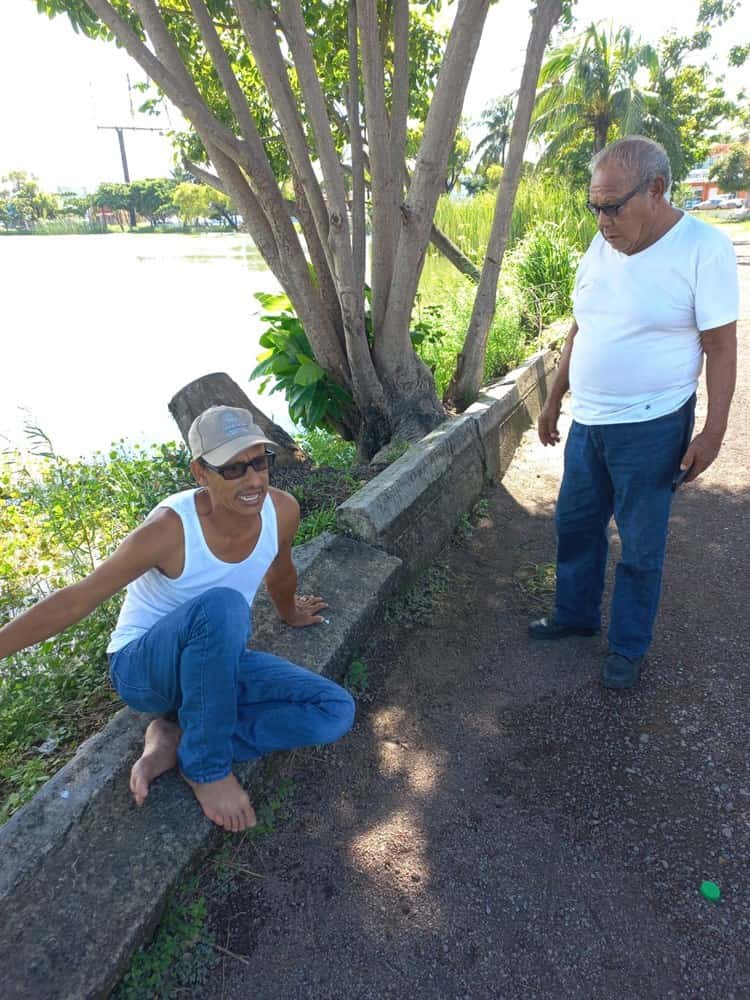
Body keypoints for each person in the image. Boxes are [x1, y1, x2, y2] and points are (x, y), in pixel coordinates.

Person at [0, 406, 355, 831]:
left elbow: (280, 569)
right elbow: (77, 599)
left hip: (212, 667)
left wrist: (291, 612)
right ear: (200, 473)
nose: (254, 480)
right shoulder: (170, 529)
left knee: (334, 709)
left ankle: (181, 739)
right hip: (143, 670)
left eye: (259, 462)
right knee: (225, 605)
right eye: (233, 468)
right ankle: (205, 767)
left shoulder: (281, 510)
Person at [530, 136, 738, 689]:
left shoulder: (703, 249)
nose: (602, 219)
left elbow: (721, 347)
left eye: (613, 205)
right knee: (575, 526)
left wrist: (713, 432)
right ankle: (574, 617)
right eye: (594, 206)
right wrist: (553, 400)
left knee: (641, 545)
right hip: (589, 422)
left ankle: (627, 646)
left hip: (653, 425)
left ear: (657, 189)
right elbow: (582, 326)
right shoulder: (603, 245)